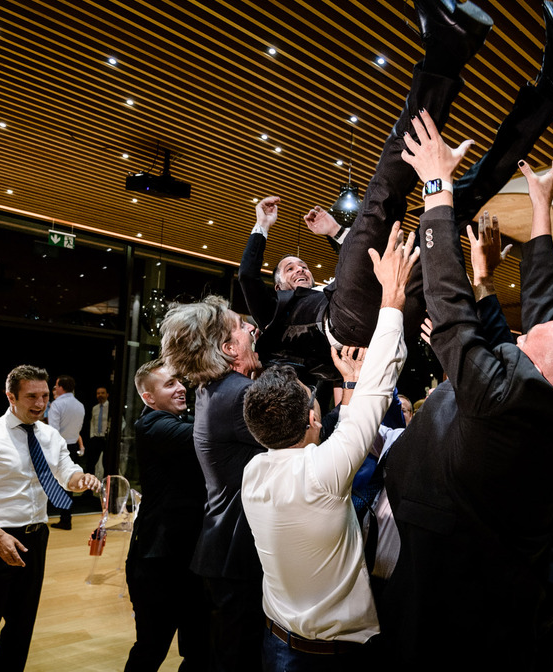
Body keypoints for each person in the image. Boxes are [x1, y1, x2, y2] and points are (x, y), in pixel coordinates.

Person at [238, 0, 553, 381]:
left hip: (389, 319)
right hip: (350, 329)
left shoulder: (323, 288)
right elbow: (248, 276)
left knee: (457, 200)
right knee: (380, 202)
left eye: (299, 265)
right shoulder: (274, 316)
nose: (298, 269)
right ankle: (445, 54)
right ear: (279, 287)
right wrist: (262, 225)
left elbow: (357, 262)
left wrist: (337, 233)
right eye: (289, 270)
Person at [379, 110, 553, 665]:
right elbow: (544, 322)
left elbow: (448, 305)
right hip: (517, 587)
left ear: (534, 372)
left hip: (445, 581)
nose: (517, 336)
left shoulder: (497, 396)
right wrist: (539, 213)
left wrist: (438, 188)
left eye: (522, 344)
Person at [241, 224, 413, 669]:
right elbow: (375, 399)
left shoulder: (253, 472)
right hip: (335, 657)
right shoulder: (323, 473)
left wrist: (351, 381)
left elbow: (358, 409)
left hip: (275, 643)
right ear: (314, 417)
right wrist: (392, 299)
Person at [0, 365, 100, 672]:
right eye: (31, 396)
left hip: (35, 537)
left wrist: (80, 478)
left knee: (21, 628)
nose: (41, 403)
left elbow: (65, 470)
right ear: (11, 397)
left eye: (45, 395)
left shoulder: (49, 435)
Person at [160, 297, 265, 672]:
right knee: (239, 658)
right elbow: (303, 444)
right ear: (229, 348)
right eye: (241, 326)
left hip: (222, 546)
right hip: (239, 550)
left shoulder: (213, 390)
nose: (252, 329)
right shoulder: (241, 394)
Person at [124, 359, 208, 672]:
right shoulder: (152, 425)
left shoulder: (177, 420)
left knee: (199, 647)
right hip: (156, 561)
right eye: (170, 384)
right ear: (148, 398)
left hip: (186, 557)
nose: (181, 388)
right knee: (151, 647)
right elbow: (203, 435)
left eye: (179, 381)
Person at [48, 375, 86, 530]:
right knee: (68, 483)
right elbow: (78, 429)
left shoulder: (57, 405)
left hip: (59, 447)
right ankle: (66, 517)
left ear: (61, 387)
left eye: (56, 385)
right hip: (72, 446)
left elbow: (53, 431)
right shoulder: (80, 405)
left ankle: (61, 518)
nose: (55, 388)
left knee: (49, 481)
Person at [85, 386, 112, 477]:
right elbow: (92, 422)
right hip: (96, 438)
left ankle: (106, 487)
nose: (100, 395)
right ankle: (88, 490)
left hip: (107, 438)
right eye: (98, 393)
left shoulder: (111, 408)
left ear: (107, 395)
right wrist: (92, 435)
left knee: (107, 464)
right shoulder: (95, 408)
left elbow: (122, 422)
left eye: (102, 393)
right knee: (90, 463)